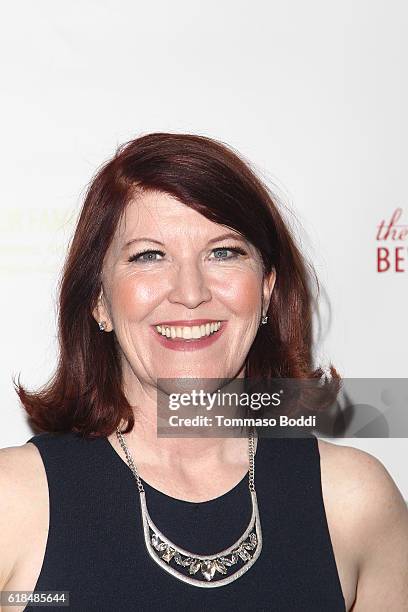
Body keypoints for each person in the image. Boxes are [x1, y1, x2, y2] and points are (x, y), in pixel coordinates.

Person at [1, 132, 407, 612]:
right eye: (148, 256)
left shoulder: (354, 502)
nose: (190, 292)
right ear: (99, 301)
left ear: (267, 291)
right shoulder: (14, 503)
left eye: (223, 252)